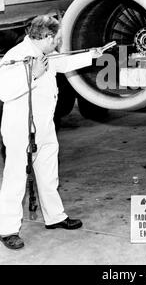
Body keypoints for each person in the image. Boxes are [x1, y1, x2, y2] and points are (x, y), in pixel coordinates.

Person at [0, 15, 103, 250]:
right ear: (46, 37)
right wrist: (32, 75)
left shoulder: (46, 54)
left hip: (44, 127)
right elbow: (3, 91)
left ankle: (55, 217)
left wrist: (93, 54)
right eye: (56, 38)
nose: (58, 42)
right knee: (15, 180)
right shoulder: (16, 56)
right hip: (20, 131)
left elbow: (64, 63)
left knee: (48, 174)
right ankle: (7, 230)